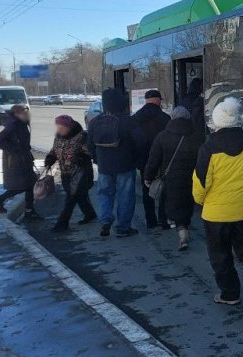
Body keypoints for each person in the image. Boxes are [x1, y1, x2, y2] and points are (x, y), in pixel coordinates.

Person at [192, 97, 243, 310]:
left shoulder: (208, 147)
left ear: (217, 121)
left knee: (220, 256)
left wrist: (201, 201)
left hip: (216, 215)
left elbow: (201, 183)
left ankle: (230, 294)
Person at [144, 107, 203, 251]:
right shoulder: (197, 136)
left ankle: (182, 233)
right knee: (187, 204)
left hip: (171, 178)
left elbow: (154, 159)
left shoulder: (163, 136)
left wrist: (148, 176)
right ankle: (184, 227)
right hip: (192, 178)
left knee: (174, 205)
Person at [87, 88, 140, 238]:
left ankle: (105, 220)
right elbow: (139, 141)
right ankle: (123, 227)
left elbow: (90, 145)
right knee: (125, 196)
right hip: (125, 165)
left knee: (104, 194)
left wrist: (97, 160)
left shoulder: (95, 122)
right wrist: (136, 159)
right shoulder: (128, 121)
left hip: (104, 166)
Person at [0, 104, 42, 221]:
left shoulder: (22, 123)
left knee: (29, 185)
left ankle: (29, 211)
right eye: (24, 112)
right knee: (20, 187)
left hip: (24, 159)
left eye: (27, 112)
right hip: (17, 161)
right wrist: (16, 150)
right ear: (16, 114)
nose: (27, 114)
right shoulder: (13, 125)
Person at [44, 115, 96, 232]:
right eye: (58, 127)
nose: (59, 130)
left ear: (69, 127)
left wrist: (82, 157)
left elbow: (92, 152)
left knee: (70, 199)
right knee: (80, 196)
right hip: (66, 172)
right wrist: (50, 158)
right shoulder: (58, 137)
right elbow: (54, 150)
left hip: (80, 172)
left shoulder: (82, 136)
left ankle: (62, 224)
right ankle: (90, 214)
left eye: (62, 127)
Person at [132, 89, 171, 230]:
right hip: (163, 158)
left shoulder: (136, 117)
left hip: (143, 159)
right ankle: (163, 219)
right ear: (158, 100)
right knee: (164, 188)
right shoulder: (165, 118)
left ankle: (150, 220)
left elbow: (133, 139)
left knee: (146, 188)